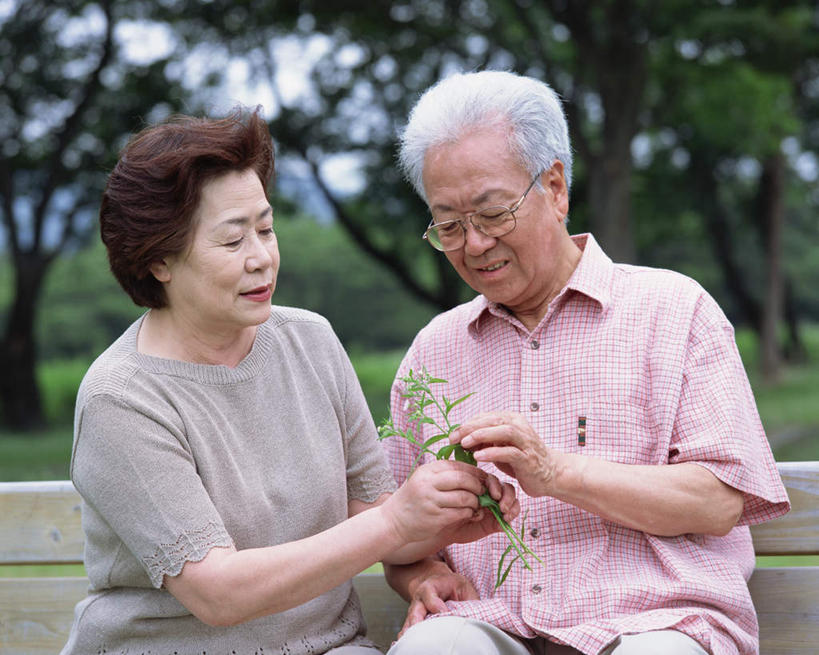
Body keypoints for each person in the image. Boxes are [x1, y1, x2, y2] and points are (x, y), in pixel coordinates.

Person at [61, 107, 519, 655]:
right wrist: (397, 522)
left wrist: (442, 526)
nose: (262, 259)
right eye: (233, 242)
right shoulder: (122, 398)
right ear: (159, 260)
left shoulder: (311, 340)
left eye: (266, 228)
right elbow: (219, 593)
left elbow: (368, 511)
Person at [381, 70, 791, 655]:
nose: (473, 244)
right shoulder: (434, 350)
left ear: (555, 188)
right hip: (496, 625)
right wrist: (420, 576)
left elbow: (720, 500)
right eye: (448, 225)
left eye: (492, 213)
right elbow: (396, 530)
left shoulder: (673, 310)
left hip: (655, 625)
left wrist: (555, 474)